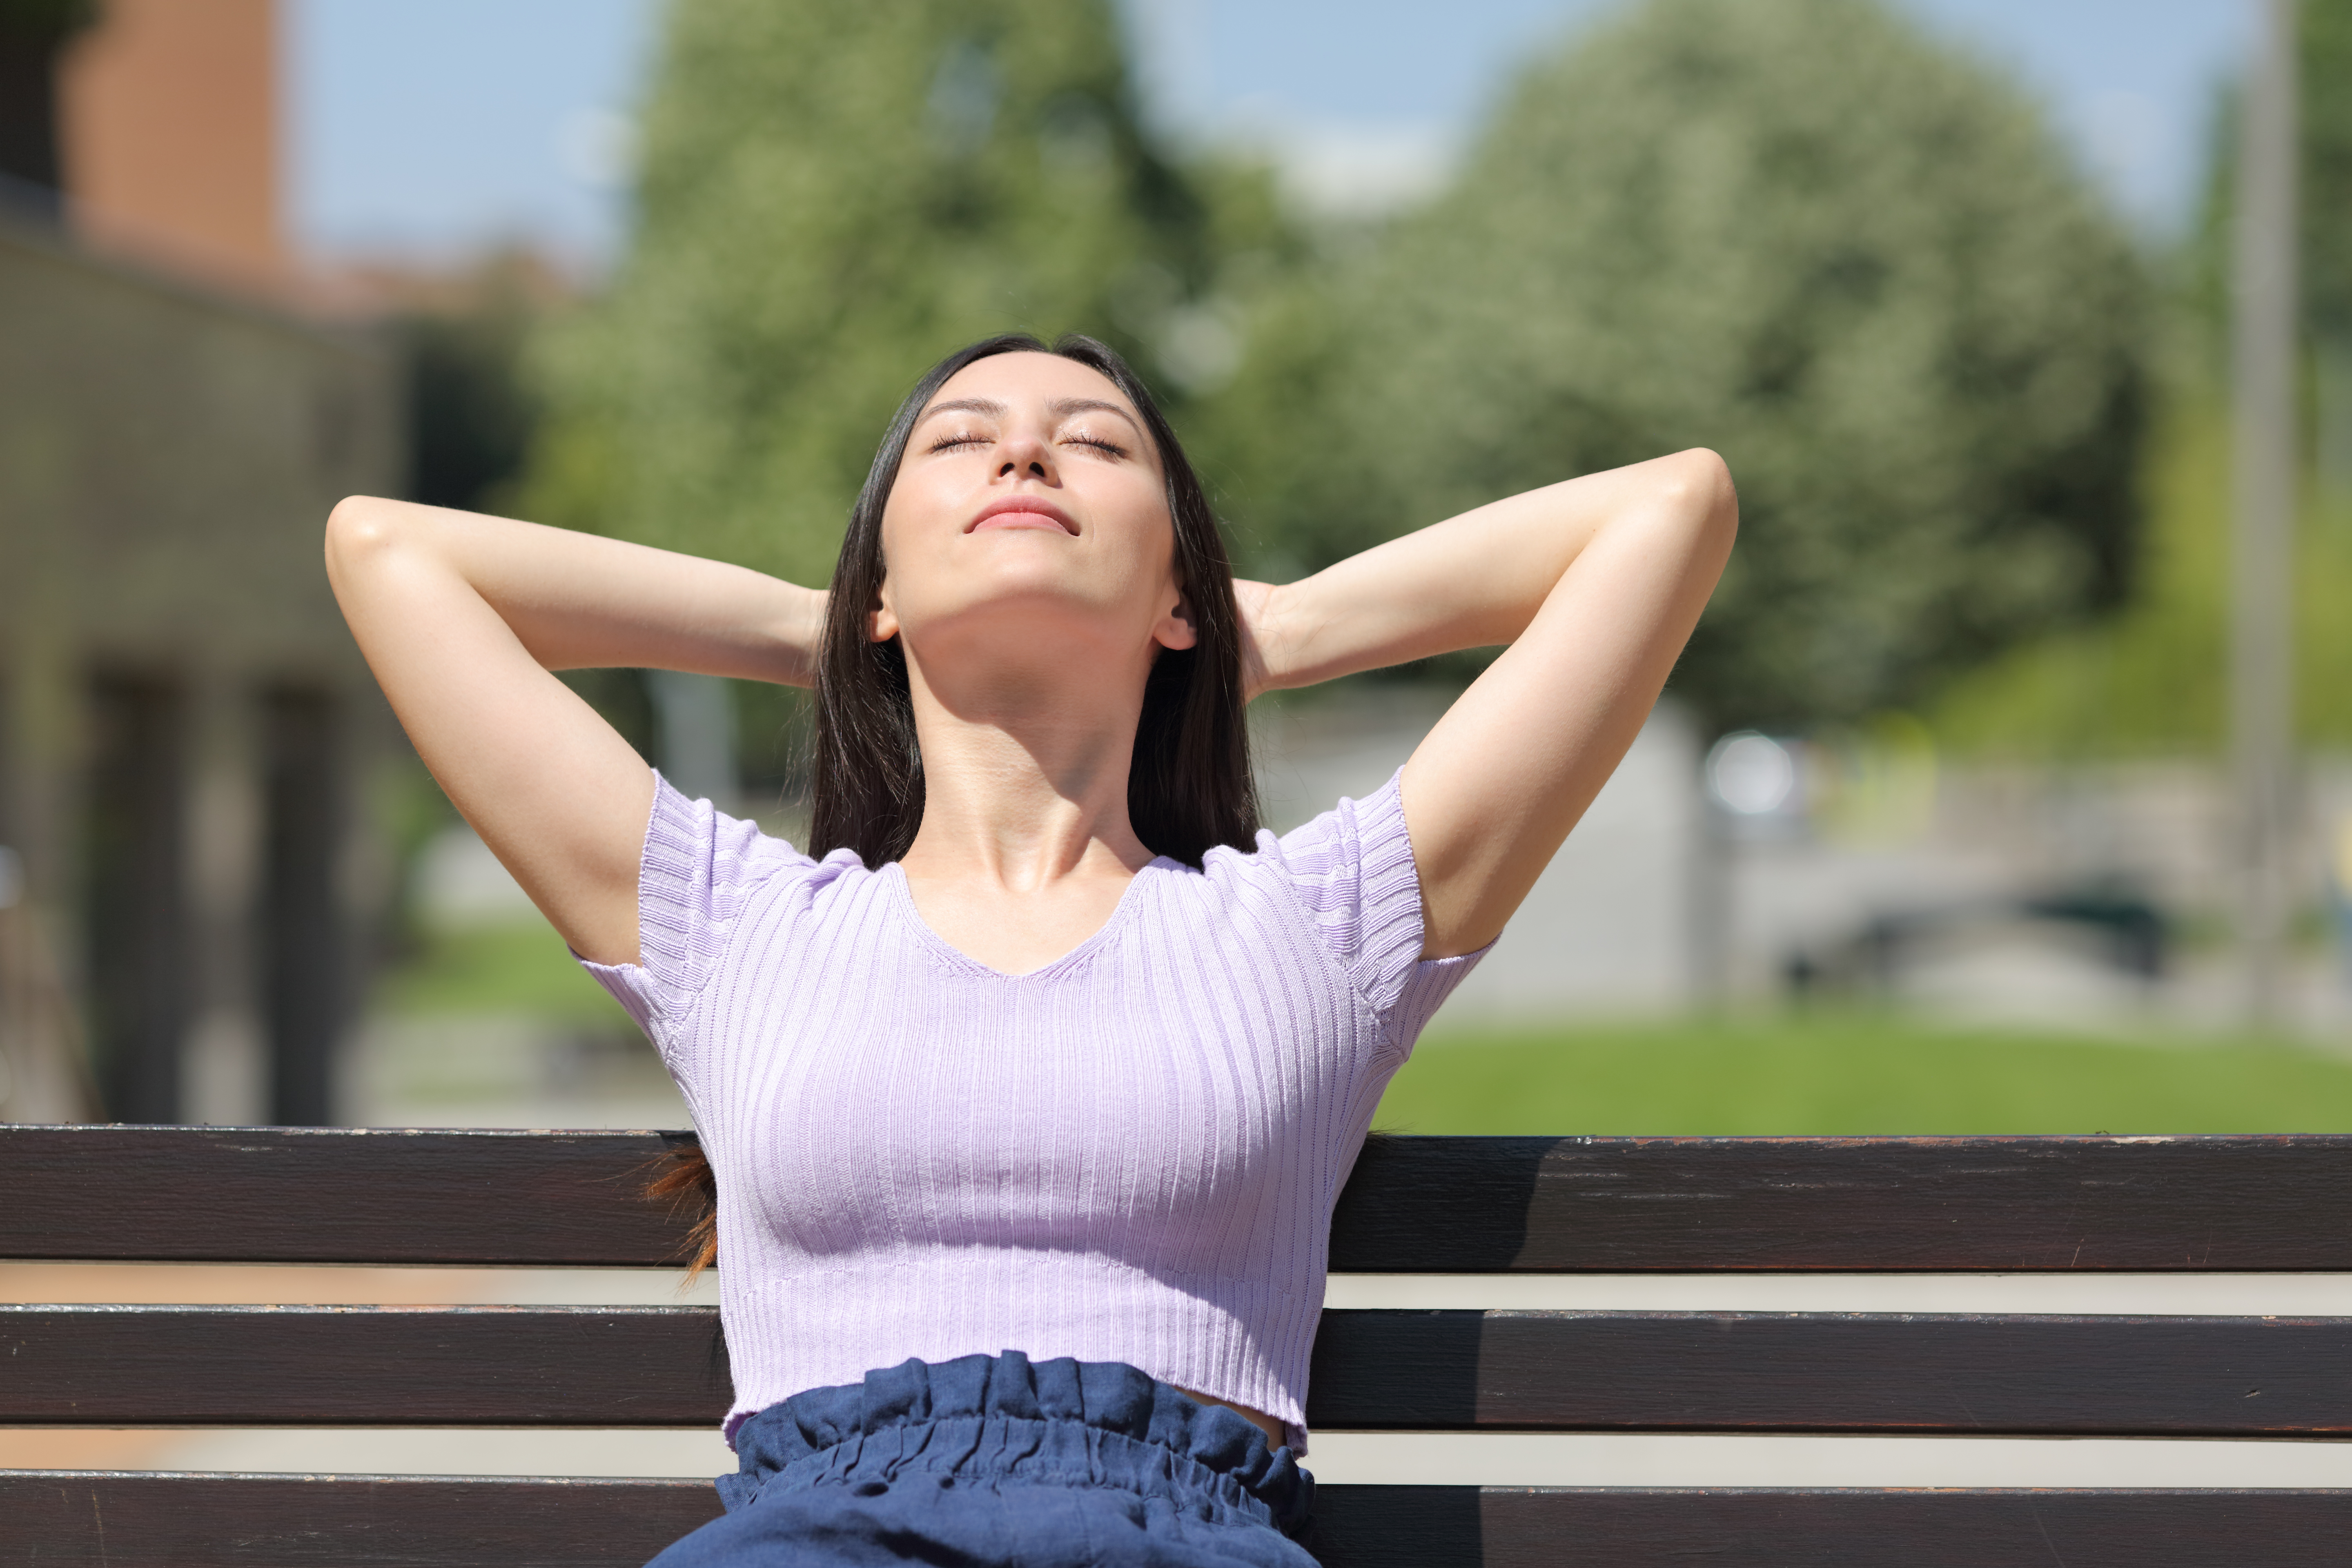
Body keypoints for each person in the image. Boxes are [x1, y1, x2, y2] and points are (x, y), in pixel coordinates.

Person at [326, 332, 1735, 1566]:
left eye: (1094, 444)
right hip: (814, 1537)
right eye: (961, 442)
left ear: (1186, 594)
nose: (1023, 456)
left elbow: (1671, 511)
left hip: (1189, 1533)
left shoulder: (1319, 928)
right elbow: (393, 555)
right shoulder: (734, 929)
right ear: (876, 588)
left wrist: (1286, 628)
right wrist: (837, 626)